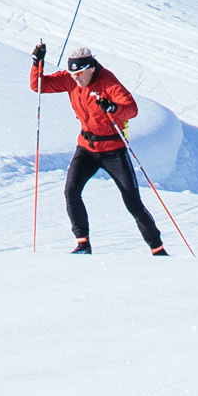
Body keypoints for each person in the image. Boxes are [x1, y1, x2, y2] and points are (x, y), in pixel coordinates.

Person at [32, 39, 167, 255]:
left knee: (132, 202)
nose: (76, 79)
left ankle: (157, 249)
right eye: (72, 75)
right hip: (86, 148)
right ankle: (83, 244)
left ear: (91, 68)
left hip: (113, 150)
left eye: (80, 75)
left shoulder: (108, 81)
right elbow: (39, 86)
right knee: (71, 191)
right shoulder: (70, 80)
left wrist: (113, 107)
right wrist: (37, 63)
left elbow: (131, 109)